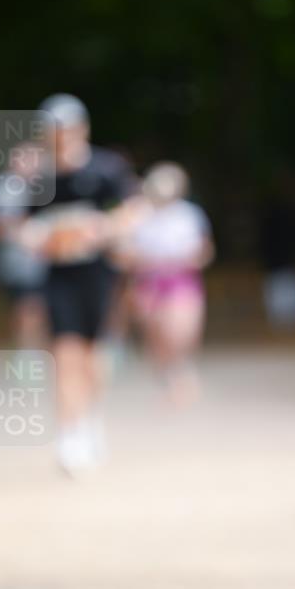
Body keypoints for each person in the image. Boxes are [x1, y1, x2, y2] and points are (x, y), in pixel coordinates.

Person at [19, 94, 134, 473]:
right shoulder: (39, 178)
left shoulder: (106, 168)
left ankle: (90, 419)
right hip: (59, 277)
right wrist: (42, 239)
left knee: (94, 359)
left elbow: (133, 209)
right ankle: (70, 436)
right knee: (66, 354)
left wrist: (105, 229)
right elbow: (26, 227)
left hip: (99, 276)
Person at [111, 162, 214, 407]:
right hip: (148, 281)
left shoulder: (189, 214)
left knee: (179, 332)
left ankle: (181, 373)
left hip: (181, 280)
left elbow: (204, 251)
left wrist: (185, 259)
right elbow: (121, 252)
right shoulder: (137, 214)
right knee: (155, 335)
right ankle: (171, 379)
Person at [0, 142, 48, 350]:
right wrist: (17, 228)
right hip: (12, 262)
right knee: (21, 308)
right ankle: (25, 349)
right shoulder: (1, 189)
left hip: (42, 262)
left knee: (34, 306)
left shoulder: (48, 185)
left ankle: (31, 351)